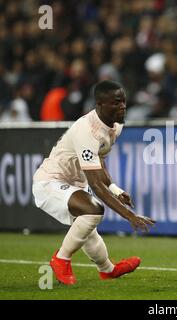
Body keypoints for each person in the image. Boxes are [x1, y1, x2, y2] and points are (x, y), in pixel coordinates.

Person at [32, 80, 155, 285]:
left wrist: (115, 189)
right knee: (93, 209)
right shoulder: (87, 131)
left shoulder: (116, 126)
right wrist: (130, 216)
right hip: (50, 182)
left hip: (74, 184)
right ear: (100, 105)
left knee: (87, 229)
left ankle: (108, 270)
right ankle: (61, 259)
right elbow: (96, 185)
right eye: (116, 103)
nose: (122, 106)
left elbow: (99, 161)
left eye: (123, 101)